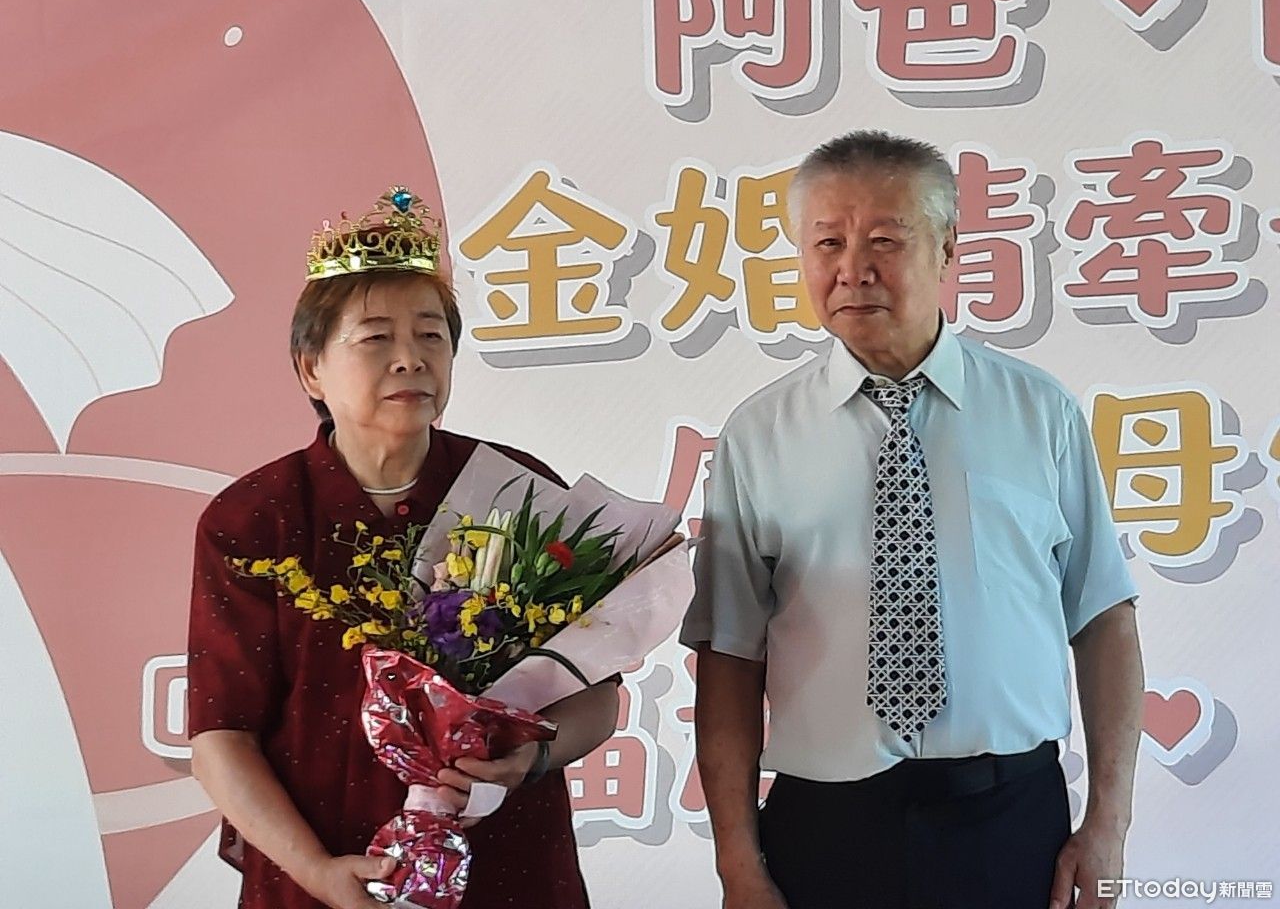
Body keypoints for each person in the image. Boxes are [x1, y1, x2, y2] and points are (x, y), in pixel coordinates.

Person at [682, 131, 1144, 909]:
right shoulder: (759, 436)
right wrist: (737, 861)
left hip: (1009, 820)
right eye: (828, 243)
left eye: (884, 241)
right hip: (825, 829)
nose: (852, 270)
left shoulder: (1039, 413)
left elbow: (1104, 619)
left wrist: (1109, 824)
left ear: (947, 247)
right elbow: (729, 656)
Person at [187, 187, 619, 909]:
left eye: (430, 336)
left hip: (506, 866)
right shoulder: (255, 520)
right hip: (325, 868)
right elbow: (221, 736)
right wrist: (318, 872)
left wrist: (534, 757)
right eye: (376, 339)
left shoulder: (514, 490)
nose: (410, 360)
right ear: (310, 368)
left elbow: (597, 696)